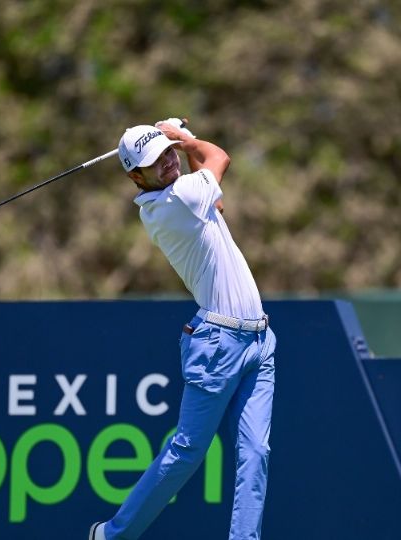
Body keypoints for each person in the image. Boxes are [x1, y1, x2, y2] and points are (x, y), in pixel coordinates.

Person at [89, 119, 276, 540]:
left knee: (256, 453)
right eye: (155, 161)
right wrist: (185, 138)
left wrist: (174, 139)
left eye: (167, 151)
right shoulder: (173, 203)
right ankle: (111, 535)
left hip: (260, 342)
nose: (168, 161)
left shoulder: (187, 195)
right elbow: (218, 158)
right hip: (219, 344)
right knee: (188, 452)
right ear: (136, 177)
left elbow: (218, 204)